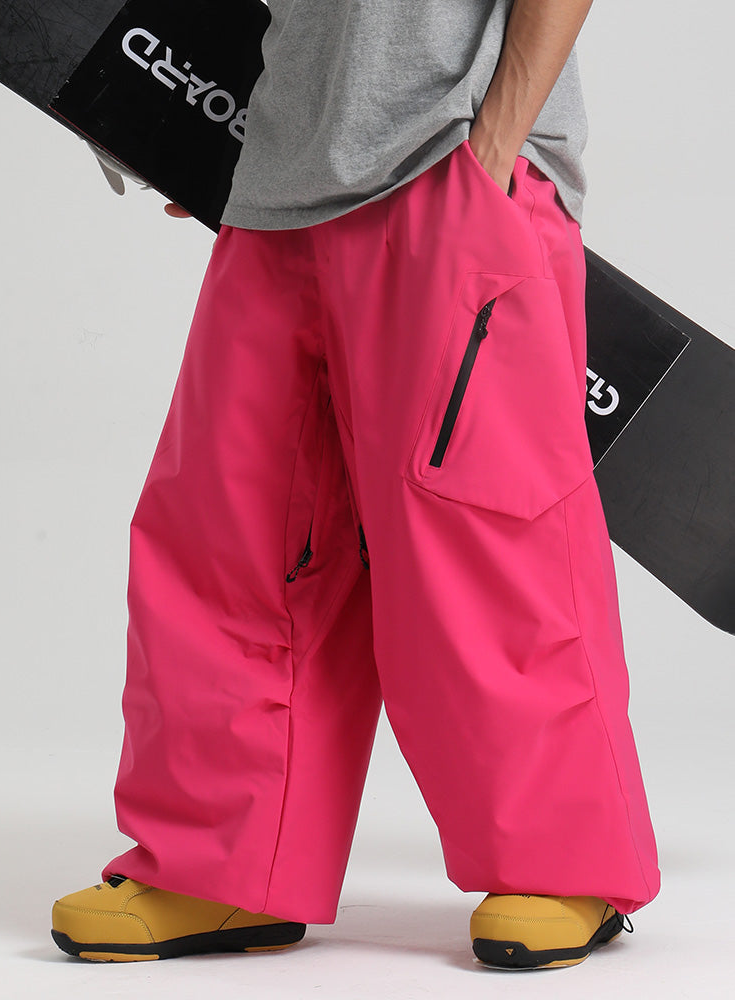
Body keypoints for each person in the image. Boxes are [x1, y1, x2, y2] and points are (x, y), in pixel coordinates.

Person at [51, 0, 661, 971]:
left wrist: (497, 142)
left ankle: (565, 863)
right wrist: (191, 121)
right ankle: (223, 864)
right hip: (281, 177)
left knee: (481, 538)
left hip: (450, 164)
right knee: (231, 537)